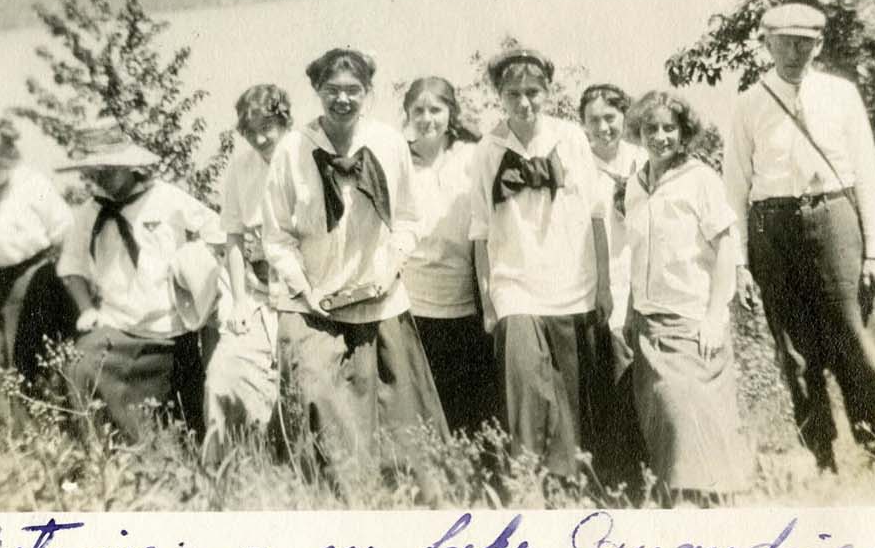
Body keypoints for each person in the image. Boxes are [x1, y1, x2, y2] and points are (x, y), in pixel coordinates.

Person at [261, 47, 449, 499]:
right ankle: (332, 504)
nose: (342, 100)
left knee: (400, 422)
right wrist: (306, 291)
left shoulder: (387, 144)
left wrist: (388, 270)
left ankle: (401, 502)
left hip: (378, 298)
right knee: (319, 406)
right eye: (332, 91)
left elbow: (407, 218)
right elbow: (276, 236)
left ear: (368, 92)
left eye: (353, 91)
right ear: (316, 92)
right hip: (311, 305)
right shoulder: (291, 151)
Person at [723, 2, 875, 473]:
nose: (795, 52)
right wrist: (738, 263)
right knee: (796, 350)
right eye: (785, 42)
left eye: (805, 42)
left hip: (834, 215)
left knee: (855, 334)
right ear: (767, 44)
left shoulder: (841, 95)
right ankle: (820, 455)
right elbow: (734, 186)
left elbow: (868, 175)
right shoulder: (749, 103)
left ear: (818, 45)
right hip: (771, 228)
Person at [469, 46, 617, 483]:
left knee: (571, 394)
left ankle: (573, 482)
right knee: (528, 388)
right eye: (513, 93)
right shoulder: (488, 150)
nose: (524, 102)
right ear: (499, 94)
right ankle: (529, 480)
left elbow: (595, 214)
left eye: (533, 91)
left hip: (572, 283)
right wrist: (489, 301)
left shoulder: (570, 138)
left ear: (548, 91)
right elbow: (479, 232)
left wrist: (604, 286)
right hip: (514, 287)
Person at [55, 119, 227, 442]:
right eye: (92, 171)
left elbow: (217, 231)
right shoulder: (88, 213)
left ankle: (168, 457)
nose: (98, 178)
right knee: (80, 367)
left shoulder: (165, 198)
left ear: (129, 166)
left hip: (170, 330)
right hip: (117, 327)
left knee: (183, 421)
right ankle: (105, 456)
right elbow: (71, 266)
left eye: (106, 169)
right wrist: (85, 309)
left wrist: (194, 262)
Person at [623, 91, 754, 505]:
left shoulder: (701, 179)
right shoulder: (635, 184)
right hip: (648, 321)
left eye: (668, 128)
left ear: (684, 133)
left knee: (688, 417)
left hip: (690, 318)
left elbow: (725, 250)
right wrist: (630, 313)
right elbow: (637, 254)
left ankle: (702, 507)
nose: (659, 136)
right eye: (650, 128)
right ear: (639, 133)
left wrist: (715, 317)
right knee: (662, 419)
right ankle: (678, 503)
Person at [0, 118, 74, 431]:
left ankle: (37, 432)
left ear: (7, 158)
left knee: (23, 355)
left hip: (32, 274)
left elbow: (66, 234)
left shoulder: (33, 185)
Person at [401, 76, 499, 438]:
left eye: (436, 109)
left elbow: (486, 224)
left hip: (465, 295)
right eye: (418, 110)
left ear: (451, 112)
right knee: (423, 401)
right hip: (414, 298)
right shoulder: (398, 158)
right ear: (408, 114)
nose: (427, 118)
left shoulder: (471, 156)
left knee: (469, 403)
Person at [201, 85, 292, 465]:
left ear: (284, 120)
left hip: (302, 296)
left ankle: (291, 462)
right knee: (221, 376)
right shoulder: (241, 167)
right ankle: (226, 467)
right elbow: (233, 237)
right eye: (250, 129)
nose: (260, 137)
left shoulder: (306, 156)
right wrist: (238, 300)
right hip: (255, 294)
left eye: (268, 126)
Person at [577, 82, 650, 491]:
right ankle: (612, 472)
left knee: (640, 373)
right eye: (594, 120)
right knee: (605, 373)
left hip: (640, 277)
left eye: (611, 118)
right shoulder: (577, 164)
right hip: (595, 280)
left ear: (625, 117)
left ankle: (644, 467)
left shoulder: (644, 159)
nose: (603, 127)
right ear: (582, 124)